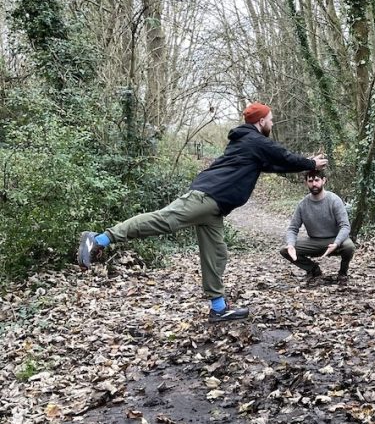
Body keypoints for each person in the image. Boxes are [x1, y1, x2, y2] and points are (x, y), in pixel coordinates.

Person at [77, 103, 327, 322]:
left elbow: (276, 163)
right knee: (163, 221)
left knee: (217, 253)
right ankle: (99, 239)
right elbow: (282, 155)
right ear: (261, 121)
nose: (272, 123)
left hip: (214, 209)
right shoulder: (254, 140)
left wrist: (305, 165)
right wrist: (310, 164)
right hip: (205, 198)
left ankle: (218, 308)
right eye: (270, 119)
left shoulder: (250, 146)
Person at [281, 169, 355, 285]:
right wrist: (290, 244)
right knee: (285, 250)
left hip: (334, 240)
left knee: (349, 246)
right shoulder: (303, 204)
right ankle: (313, 269)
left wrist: (336, 243)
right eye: (310, 181)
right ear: (306, 182)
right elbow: (293, 228)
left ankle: (343, 272)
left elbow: (345, 226)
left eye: (317, 180)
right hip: (314, 241)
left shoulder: (334, 200)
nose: (314, 184)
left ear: (323, 180)